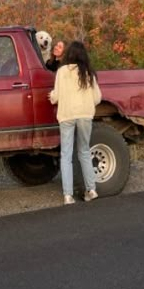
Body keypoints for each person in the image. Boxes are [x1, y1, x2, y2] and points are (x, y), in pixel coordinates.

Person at [48, 40, 102, 205]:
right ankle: (91, 189)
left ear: (69, 54)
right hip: (85, 115)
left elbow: (55, 97)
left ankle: (68, 196)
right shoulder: (88, 72)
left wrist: (51, 96)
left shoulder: (62, 71)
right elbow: (97, 98)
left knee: (66, 155)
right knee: (84, 152)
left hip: (67, 115)